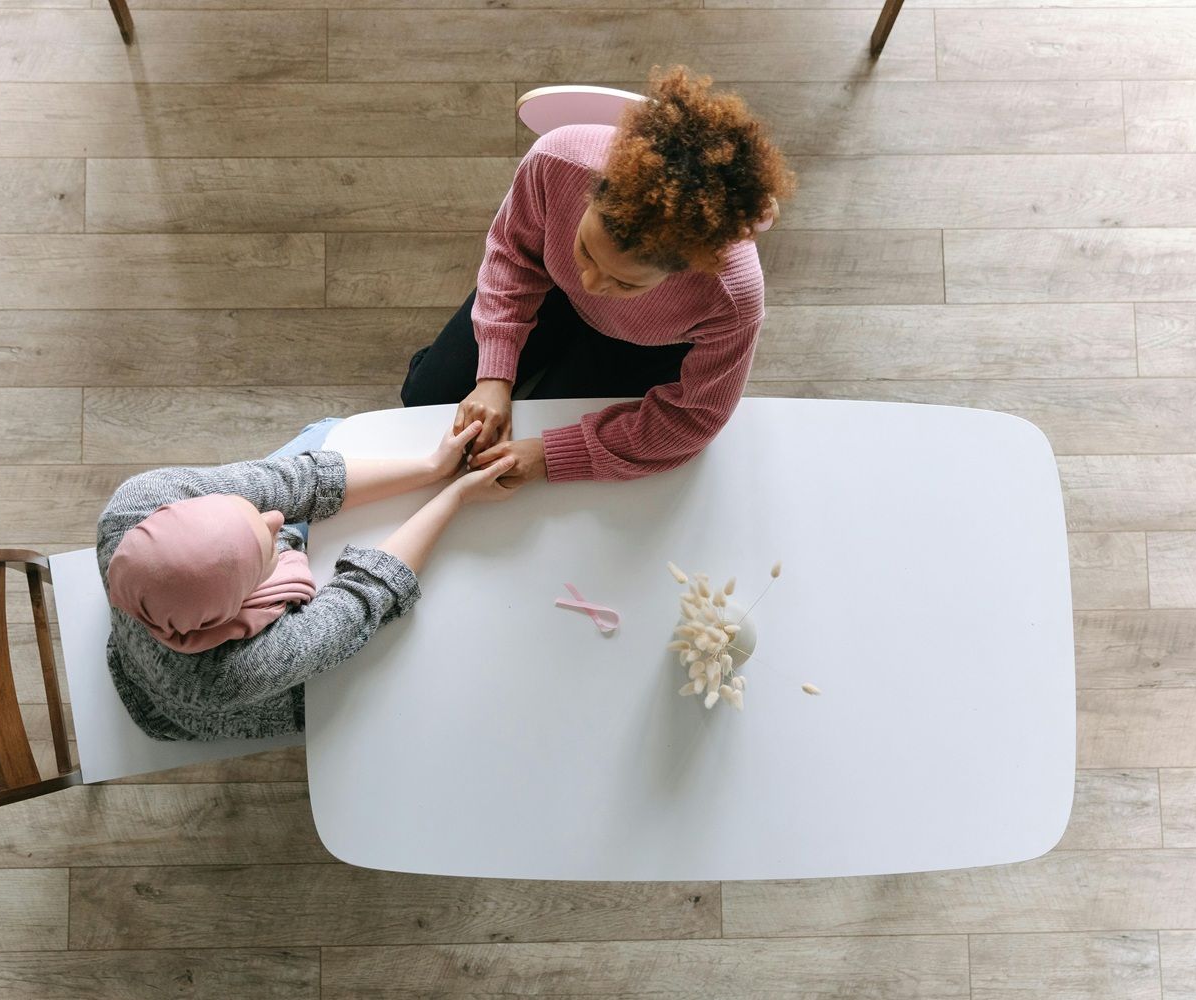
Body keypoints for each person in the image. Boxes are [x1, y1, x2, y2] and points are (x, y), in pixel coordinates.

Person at [401, 66, 796, 485]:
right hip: (551, 290)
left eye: (626, 282)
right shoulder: (556, 160)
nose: (591, 284)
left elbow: (694, 418)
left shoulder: (732, 298)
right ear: (590, 193)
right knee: (425, 399)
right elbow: (513, 255)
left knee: (534, 429)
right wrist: (494, 376)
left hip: (647, 344)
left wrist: (550, 456)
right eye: (586, 250)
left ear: (688, 268)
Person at [97, 418, 517, 741]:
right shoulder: (229, 673)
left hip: (202, 619)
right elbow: (364, 594)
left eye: (246, 509)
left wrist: (433, 467)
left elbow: (297, 484)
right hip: (232, 701)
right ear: (231, 606)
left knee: (330, 433)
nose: (277, 519)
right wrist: (456, 495)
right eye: (266, 546)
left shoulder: (136, 502)